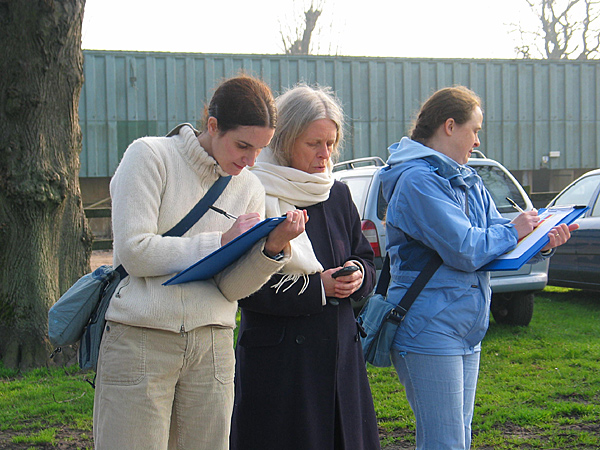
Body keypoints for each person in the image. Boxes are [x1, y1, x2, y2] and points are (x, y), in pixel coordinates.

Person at [93, 75, 307, 450]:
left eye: (261, 149)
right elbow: (134, 251)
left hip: (213, 345)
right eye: (243, 145)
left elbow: (230, 288)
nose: (250, 160)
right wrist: (219, 242)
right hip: (142, 337)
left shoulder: (250, 188)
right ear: (212, 125)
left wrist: (271, 250)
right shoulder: (150, 155)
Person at [379, 86, 578, 450]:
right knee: (446, 442)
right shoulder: (416, 181)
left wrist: (540, 241)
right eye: (475, 130)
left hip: (465, 327)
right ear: (450, 126)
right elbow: (467, 249)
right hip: (428, 327)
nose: (477, 141)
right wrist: (516, 228)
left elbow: (495, 244)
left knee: (460, 439)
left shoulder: (467, 178)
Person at [230, 84, 380, 450]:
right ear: (284, 140)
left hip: (339, 361)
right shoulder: (252, 191)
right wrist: (319, 288)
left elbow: (366, 257)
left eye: (330, 143)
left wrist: (358, 275)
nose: (325, 154)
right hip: (281, 368)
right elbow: (241, 284)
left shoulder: (336, 193)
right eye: (314, 143)